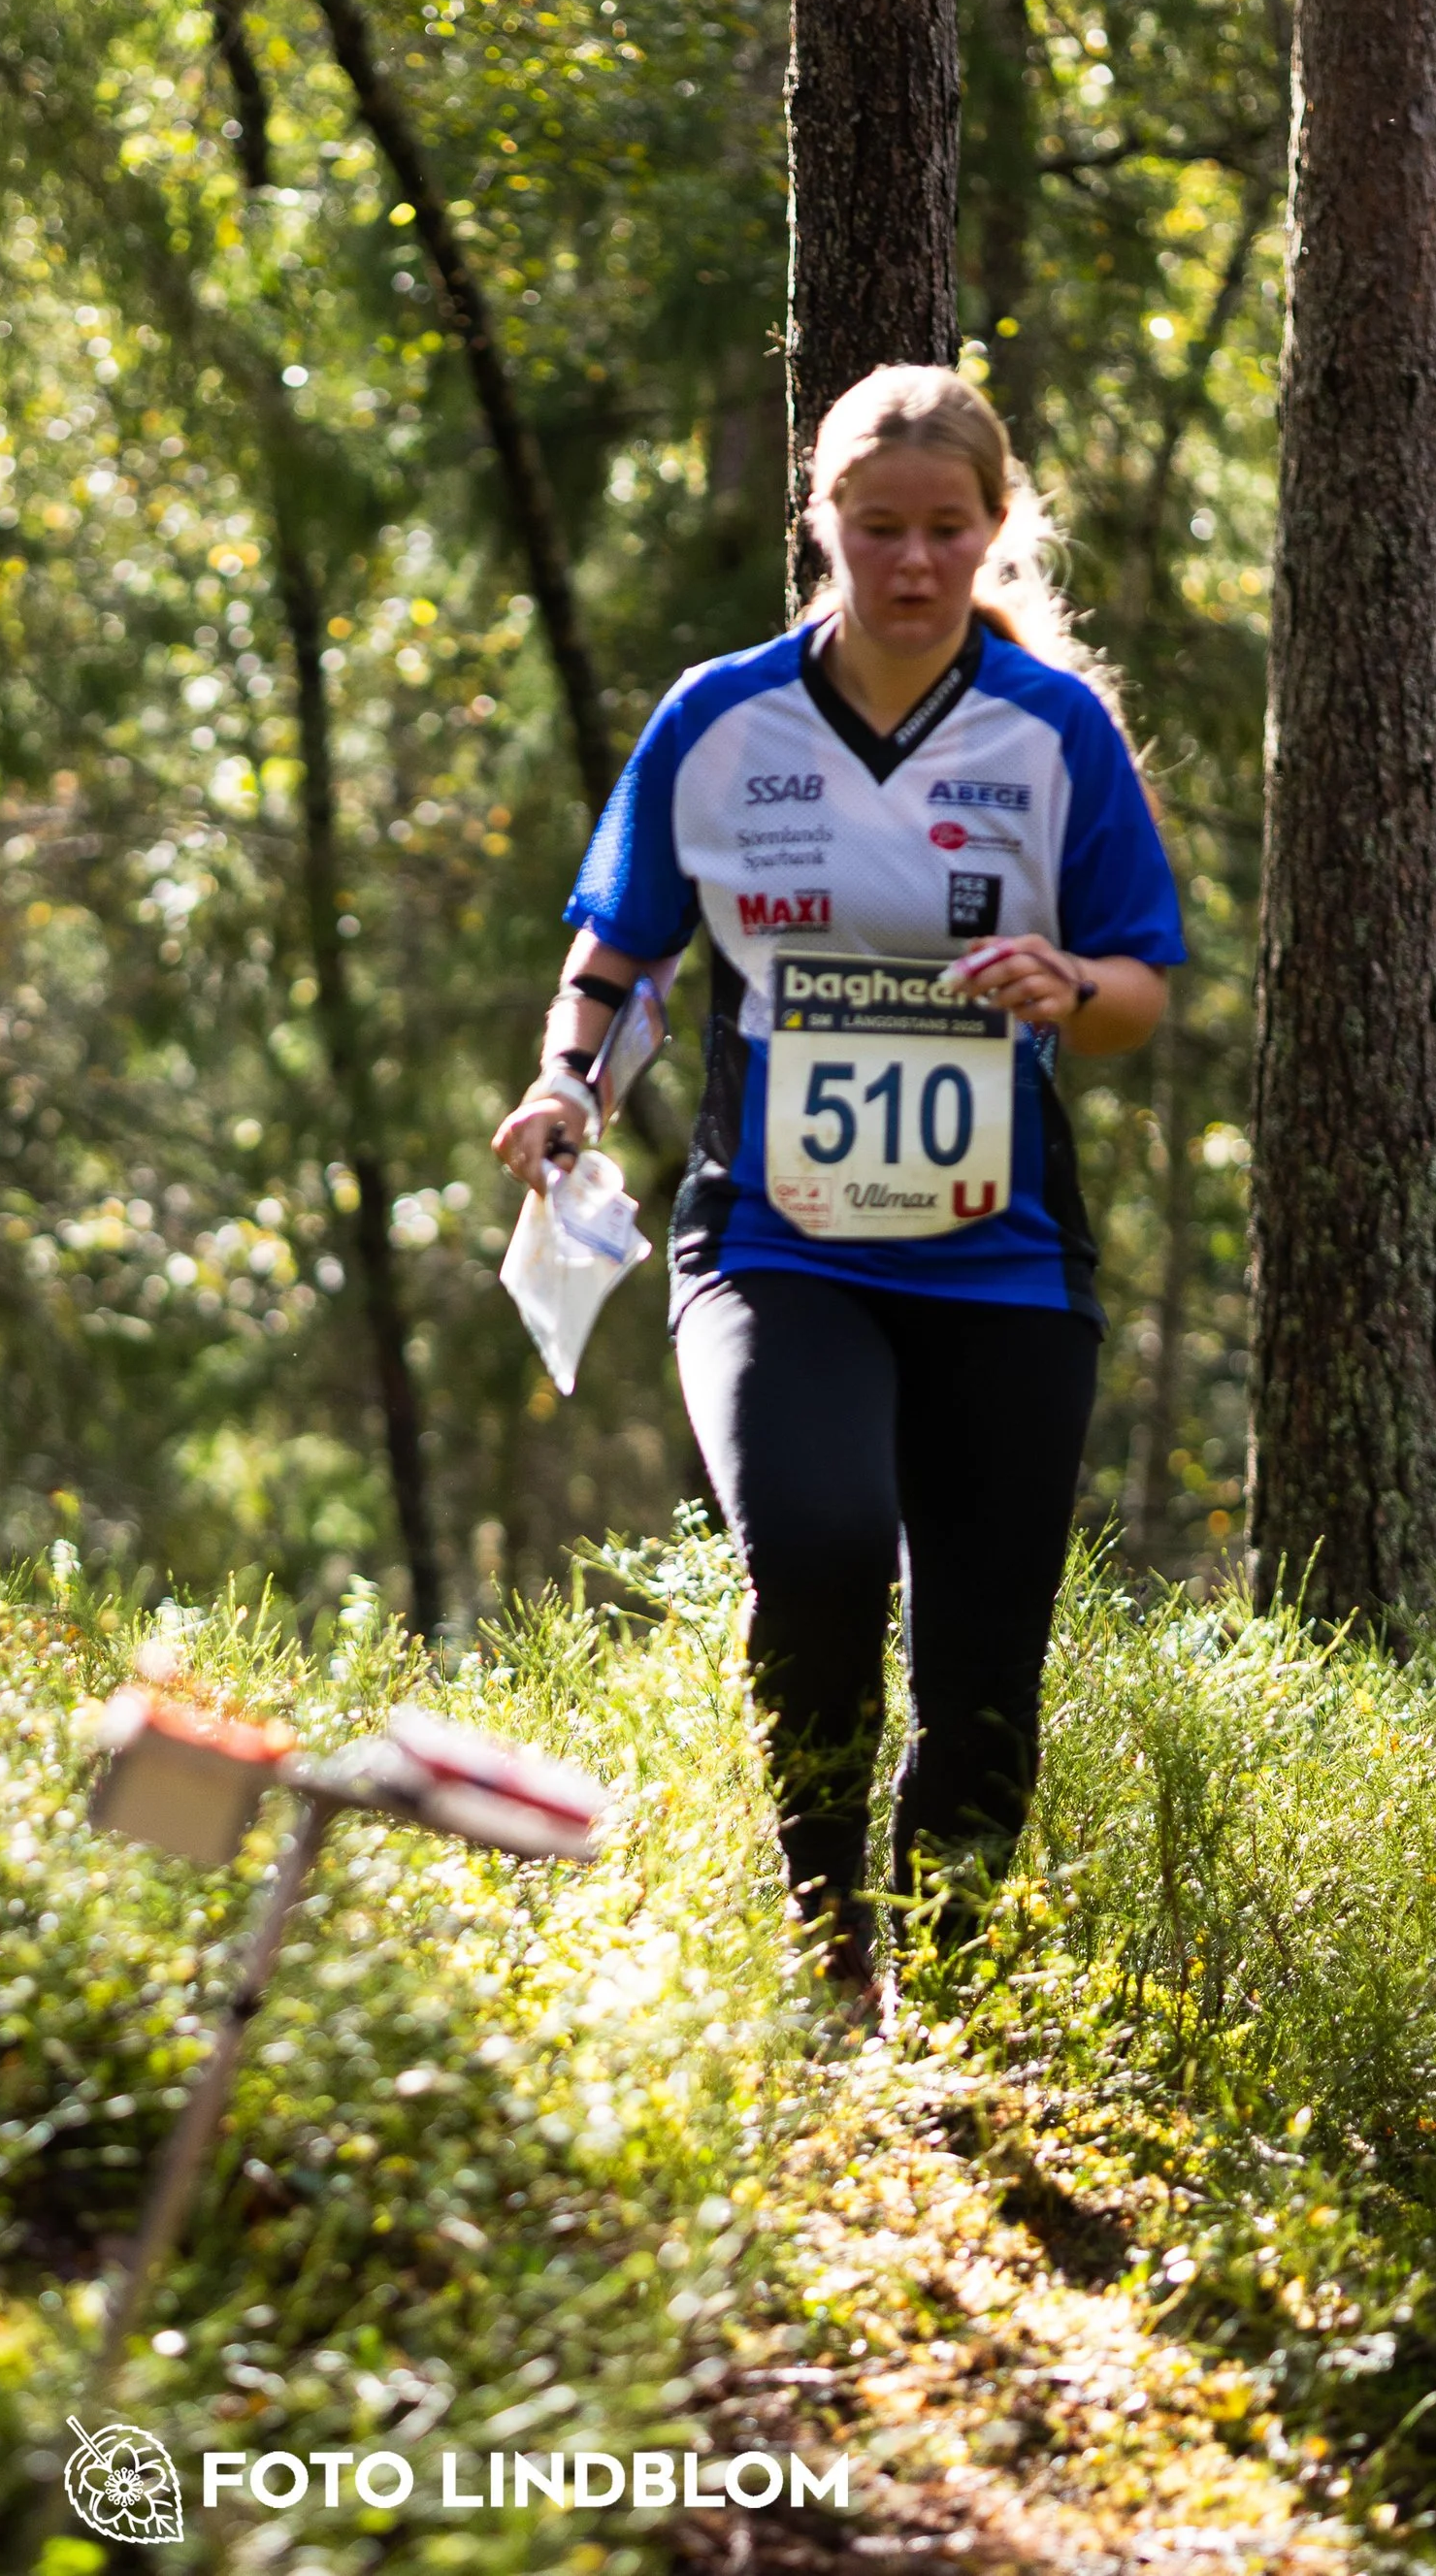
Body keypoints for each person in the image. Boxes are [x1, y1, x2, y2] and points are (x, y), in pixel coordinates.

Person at [494, 365, 1182, 1994]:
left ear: (993, 529)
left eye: (946, 529)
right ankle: (829, 1948)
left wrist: (1067, 987)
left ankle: (950, 2003)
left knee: (984, 1670)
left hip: (1005, 1258)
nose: (914, 562)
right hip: (776, 1241)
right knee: (813, 1545)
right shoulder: (721, 721)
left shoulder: (1055, 733)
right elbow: (623, 952)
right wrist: (567, 1085)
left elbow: (1140, 994)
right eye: (879, 527)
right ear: (823, 523)